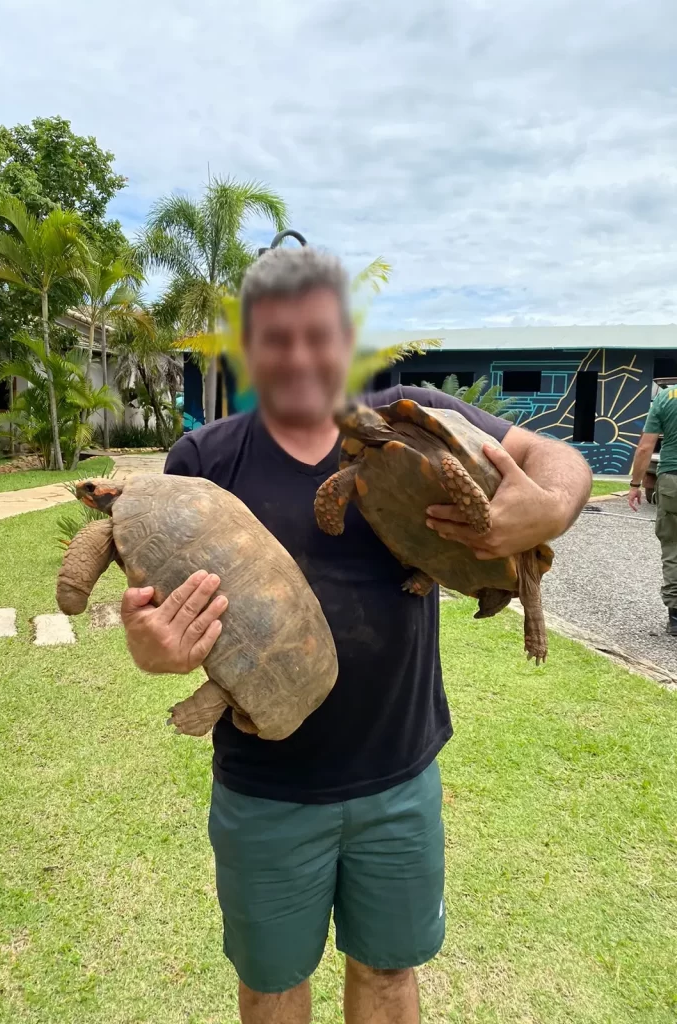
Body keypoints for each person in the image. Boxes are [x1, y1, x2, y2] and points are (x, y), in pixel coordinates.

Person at [120, 247, 592, 1024]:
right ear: (249, 346)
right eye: (277, 338)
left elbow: (556, 458)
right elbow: (152, 616)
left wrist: (550, 507)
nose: (300, 357)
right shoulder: (203, 461)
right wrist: (151, 647)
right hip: (266, 788)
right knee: (272, 983)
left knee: (387, 974)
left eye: (318, 335)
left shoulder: (411, 406)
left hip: (398, 775)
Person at [628, 383, 677, 635]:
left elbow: (645, 447)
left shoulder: (667, 396)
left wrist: (636, 484)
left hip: (672, 480)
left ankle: (676, 618)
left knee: (673, 547)